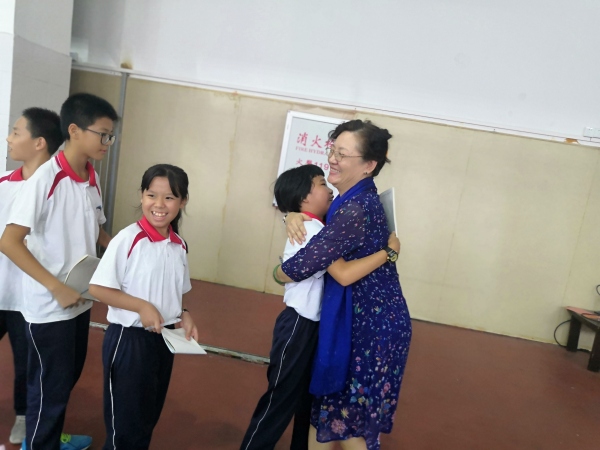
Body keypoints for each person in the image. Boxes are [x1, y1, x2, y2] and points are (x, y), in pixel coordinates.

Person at [241, 165, 400, 450]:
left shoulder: (318, 225)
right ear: (304, 197)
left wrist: (291, 214)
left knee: (307, 401)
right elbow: (343, 274)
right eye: (321, 183)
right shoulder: (312, 230)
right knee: (280, 399)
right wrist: (388, 252)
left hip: (316, 326)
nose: (329, 189)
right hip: (297, 325)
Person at [279, 120, 412, 450]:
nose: (332, 160)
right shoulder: (354, 198)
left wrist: (277, 273)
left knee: (347, 422)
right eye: (332, 151)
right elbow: (325, 230)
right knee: (331, 414)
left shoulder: (355, 208)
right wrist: (293, 214)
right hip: (367, 320)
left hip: (369, 326)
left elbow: (307, 266)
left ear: (369, 165)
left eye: (342, 154)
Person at [0, 93, 118, 450]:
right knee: (48, 391)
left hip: (79, 301)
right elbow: (10, 242)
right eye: (102, 134)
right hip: (50, 306)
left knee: (63, 382)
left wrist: (124, 255)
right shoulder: (45, 179)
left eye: (110, 135)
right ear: (75, 130)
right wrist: (55, 287)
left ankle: (44, 439)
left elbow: (96, 230)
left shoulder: (91, 177)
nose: (107, 142)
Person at [88, 164, 198, 450]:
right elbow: (98, 288)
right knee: (124, 426)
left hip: (164, 340)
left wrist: (184, 314)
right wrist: (141, 306)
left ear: (183, 201)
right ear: (142, 196)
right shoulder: (128, 239)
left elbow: (177, 291)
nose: (159, 205)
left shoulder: (178, 245)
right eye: (152, 195)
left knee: (147, 417)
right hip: (129, 341)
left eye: (169, 197)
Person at [0, 108, 63, 444]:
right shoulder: (3, 184)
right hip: (0, 289)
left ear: (39, 142)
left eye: (15, 132)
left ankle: (25, 417)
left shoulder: (58, 189)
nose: (8, 138)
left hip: (29, 298)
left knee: (27, 364)